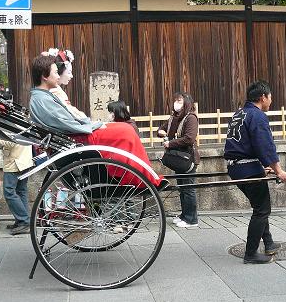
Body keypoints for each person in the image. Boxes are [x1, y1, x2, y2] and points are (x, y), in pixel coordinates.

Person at [29, 54, 162, 188]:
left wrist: (91, 124)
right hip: (78, 137)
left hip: (75, 134)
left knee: (125, 129)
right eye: (56, 72)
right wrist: (93, 125)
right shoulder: (42, 100)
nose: (58, 76)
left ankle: (140, 175)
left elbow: (66, 120)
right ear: (45, 76)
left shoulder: (41, 97)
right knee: (126, 131)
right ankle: (139, 178)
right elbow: (66, 123)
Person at [223, 81, 286, 264]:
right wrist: (279, 170)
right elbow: (265, 146)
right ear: (263, 97)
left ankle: (269, 243)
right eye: (270, 97)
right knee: (262, 209)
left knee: (259, 205)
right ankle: (251, 253)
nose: (271, 101)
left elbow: (243, 144)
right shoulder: (258, 116)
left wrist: (261, 166)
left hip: (236, 167)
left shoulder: (239, 114)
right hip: (247, 169)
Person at [157, 92, 200, 228]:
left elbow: (189, 138)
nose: (176, 103)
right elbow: (162, 129)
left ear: (187, 103)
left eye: (180, 101)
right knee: (182, 188)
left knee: (189, 189)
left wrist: (170, 143)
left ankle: (192, 219)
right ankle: (184, 215)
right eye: (176, 100)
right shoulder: (174, 118)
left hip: (188, 158)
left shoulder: (191, 118)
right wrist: (161, 132)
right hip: (178, 158)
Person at [0, 134, 34, 236]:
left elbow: (10, 143)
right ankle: (22, 221)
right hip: (24, 161)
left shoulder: (11, 123)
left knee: (9, 192)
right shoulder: (22, 122)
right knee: (21, 191)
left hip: (15, 163)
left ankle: (24, 221)